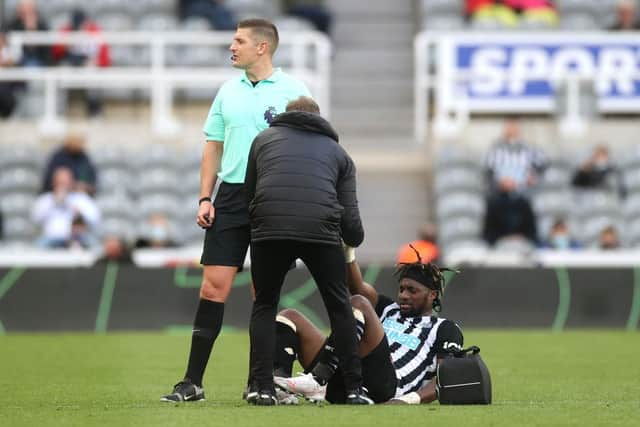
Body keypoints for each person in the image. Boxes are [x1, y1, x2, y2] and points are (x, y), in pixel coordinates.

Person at [161, 18, 312, 403]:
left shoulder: (296, 90)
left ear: (262, 47)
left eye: (239, 40)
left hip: (274, 198)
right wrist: (204, 197)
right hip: (229, 196)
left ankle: (258, 384)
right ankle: (191, 382)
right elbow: (213, 145)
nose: (232, 46)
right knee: (213, 287)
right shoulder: (227, 91)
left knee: (265, 295)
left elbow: (311, 147)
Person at [243, 96, 368, 405]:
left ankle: (261, 387)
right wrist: (351, 239)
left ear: (287, 116)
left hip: (269, 229)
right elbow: (352, 225)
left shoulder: (262, 141)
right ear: (319, 119)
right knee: (339, 307)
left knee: (265, 305)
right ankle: (354, 390)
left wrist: (261, 231)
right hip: (321, 231)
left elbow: (250, 194)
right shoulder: (339, 154)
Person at [272, 246, 464, 405]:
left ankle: (318, 378)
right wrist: (348, 253)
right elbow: (358, 287)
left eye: (412, 291)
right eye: (402, 289)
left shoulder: (444, 328)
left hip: (385, 386)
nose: (404, 295)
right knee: (289, 316)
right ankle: (278, 387)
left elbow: (445, 376)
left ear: (432, 295)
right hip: (347, 382)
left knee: (359, 303)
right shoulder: (390, 309)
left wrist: (408, 400)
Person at [51, 8, 111, 116]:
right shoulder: (66, 30)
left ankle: (94, 112)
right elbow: (55, 54)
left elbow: (105, 57)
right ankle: (58, 112)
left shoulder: (94, 31)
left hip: (89, 65)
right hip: (70, 65)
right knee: (60, 74)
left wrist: (97, 62)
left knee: (93, 76)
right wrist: (64, 46)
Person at [31, 167, 101, 248]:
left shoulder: (81, 198)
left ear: (72, 182)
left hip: (78, 238)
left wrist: (79, 212)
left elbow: (95, 220)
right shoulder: (45, 199)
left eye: (65, 182)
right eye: (60, 182)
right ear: (54, 183)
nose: (63, 185)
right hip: (51, 237)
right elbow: (35, 220)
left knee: (95, 246)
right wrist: (54, 202)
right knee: (38, 246)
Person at [484, 118, 547, 196]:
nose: (512, 129)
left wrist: (533, 177)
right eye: (509, 127)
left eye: (514, 127)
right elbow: (487, 171)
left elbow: (542, 165)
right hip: (499, 191)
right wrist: (499, 183)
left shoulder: (529, 148)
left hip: (524, 191)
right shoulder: (494, 150)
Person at [41, 131, 98, 196]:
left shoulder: (85, 159)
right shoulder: (58, 157)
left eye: (79, 141)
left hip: (80, 196)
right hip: (57, 195)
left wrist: (83, 187)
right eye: (75, 140)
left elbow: (93, 185)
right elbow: (48, 182)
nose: (77, 143)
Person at [8, 0, 51, 67]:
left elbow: (45, 51)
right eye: (24, 8)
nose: (26, 11)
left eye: (29, 8)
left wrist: (32, 29)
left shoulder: (42, 24)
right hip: (19, 62)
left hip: (40, 61)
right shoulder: (13, 24)